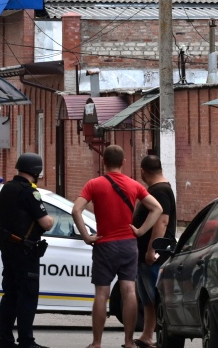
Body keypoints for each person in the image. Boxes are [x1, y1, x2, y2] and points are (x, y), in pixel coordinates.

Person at [72, 145, 164, 348]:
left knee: (101, 294)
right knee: (129, 291)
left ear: (103, 162)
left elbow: (76, 210)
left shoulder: (93, 184)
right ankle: (129, 341)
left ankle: (96, 343)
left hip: (104, 244)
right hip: (128, 245)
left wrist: (87, 236)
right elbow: (157, 208)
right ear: (123, 162)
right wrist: (140, 231)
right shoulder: (134, 185)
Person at [0, 152, 55, 348]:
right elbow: (46, 223)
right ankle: (26, 341)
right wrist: (52, 219)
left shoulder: (7, 188)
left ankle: (5, 341)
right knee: (27, 295)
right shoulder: (30, 192)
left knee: (10, 294)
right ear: (37, 171)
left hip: (7, 247)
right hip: (25, 250)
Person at [134, 154, 176, 348]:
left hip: (154, 255)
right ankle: (147, 336)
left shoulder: (160, 191)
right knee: (147, 300)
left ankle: (163, 338)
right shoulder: (160, 189)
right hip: (145, 254)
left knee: (156, 297)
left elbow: (162, 221)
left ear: (143, 171)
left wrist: (152, 249)